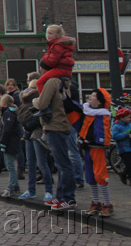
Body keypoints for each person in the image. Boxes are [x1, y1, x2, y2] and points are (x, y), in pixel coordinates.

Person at [33, 68, 76, 211]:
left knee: (63, 164)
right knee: (61, 163)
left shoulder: (51, 82)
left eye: (41, 68)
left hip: (56, 125)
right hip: (61, 124)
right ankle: (60, 196)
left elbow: (42, 104)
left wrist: (34, 101)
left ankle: (68, 198)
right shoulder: (63, 81)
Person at [17, 80, 54, 202]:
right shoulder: (25, 104)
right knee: (31, 164)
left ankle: (49, 191)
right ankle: (31, 190)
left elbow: (42, 117)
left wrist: (29, 125)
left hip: (37, 134)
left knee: (42, 163)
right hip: (28, 135)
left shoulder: (40, 101)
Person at [80, 89, 114, 217]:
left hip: (97, 148)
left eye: (94, 96)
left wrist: (91, 140)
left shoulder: (102, 115)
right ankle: (95, 202)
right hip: (88, 147)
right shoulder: (88, 112)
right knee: (90, 176)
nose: (90, 97)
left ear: (100, 102)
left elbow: (102, 133)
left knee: (100, 175)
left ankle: (107, 204)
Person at [37, 24, 75, 93]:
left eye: (51, 33)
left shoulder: (56, 45)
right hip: (66, 69)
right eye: (47, 33)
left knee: (39, 82)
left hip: (60, 69)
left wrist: (44, 56)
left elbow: (52, 62)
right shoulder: (62, 44)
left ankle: (42, 99)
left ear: (58, 35)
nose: (48, 35)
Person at [0, 94, 22, 197]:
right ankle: (16, 185)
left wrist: (2, 142)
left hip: (9, 141)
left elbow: (6, 130)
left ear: (3, 103)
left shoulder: (8, 113)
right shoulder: (13, 112)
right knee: (10, 164)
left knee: (10, 165)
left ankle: (10, 187)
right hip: (13, 140)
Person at [112, 107, 131, 185]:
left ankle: (123, 173)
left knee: (129, 164)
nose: (130, 119)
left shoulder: (129, 124)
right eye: (128, 117)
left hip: (130, 146)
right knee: (129, 164)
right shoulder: (117, 126)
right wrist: (126, 135)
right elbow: (115, 136)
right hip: (124, 148)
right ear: (122, 118)